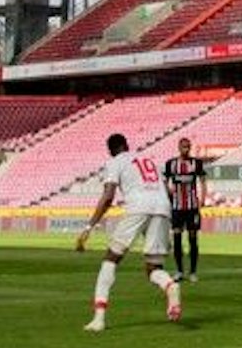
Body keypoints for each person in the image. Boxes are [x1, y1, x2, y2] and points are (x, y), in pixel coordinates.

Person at [76, 132, 182, 331]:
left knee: (111, 259)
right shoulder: (148, 160)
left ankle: (99, 318)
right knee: (154, 268)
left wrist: (89, 227)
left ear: (110, 151)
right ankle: (170, 285)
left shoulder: (115, 162)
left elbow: (108, 196)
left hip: (138, 207)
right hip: (162, 207)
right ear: (127, 144)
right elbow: (168, 191)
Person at [162, 137, 207, 283]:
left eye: (188, 147)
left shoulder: (196, 163)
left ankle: (193, 272)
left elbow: (203, 181)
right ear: (179, 148)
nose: (186, 150)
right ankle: (180, 271)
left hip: (192, 207)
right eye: (183, 147)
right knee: (176, 238)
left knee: (193, 238)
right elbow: (164, 181)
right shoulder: (171, 164)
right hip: (177, 208)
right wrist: (169, 193)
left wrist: (203, 199)